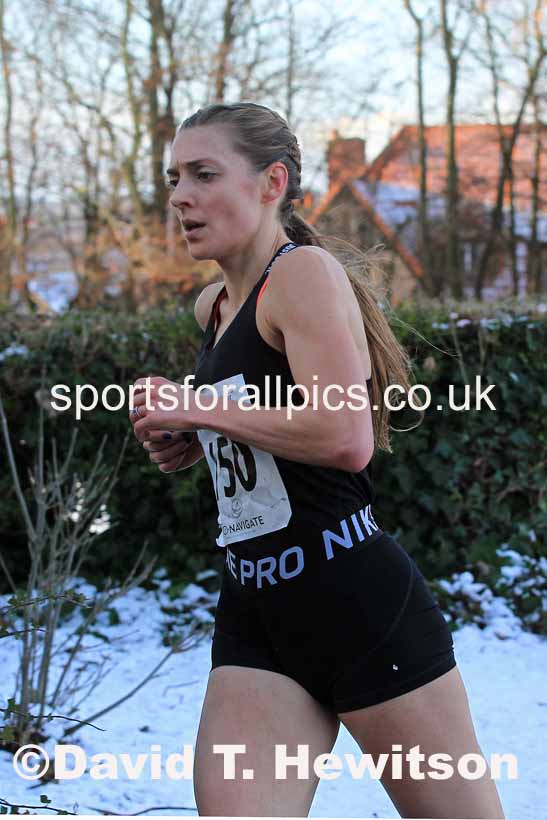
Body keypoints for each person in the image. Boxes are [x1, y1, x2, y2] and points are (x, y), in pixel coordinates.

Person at [129, 102, 505, 819]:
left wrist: (201, 408)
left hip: (356, 605)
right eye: (175, 176)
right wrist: (188, 439)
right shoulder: (213, 304)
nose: (180, 195)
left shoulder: (300, 274)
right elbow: (267, 431)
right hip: (256, 611)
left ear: (272, 182)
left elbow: (343, 434)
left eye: (205, 174)